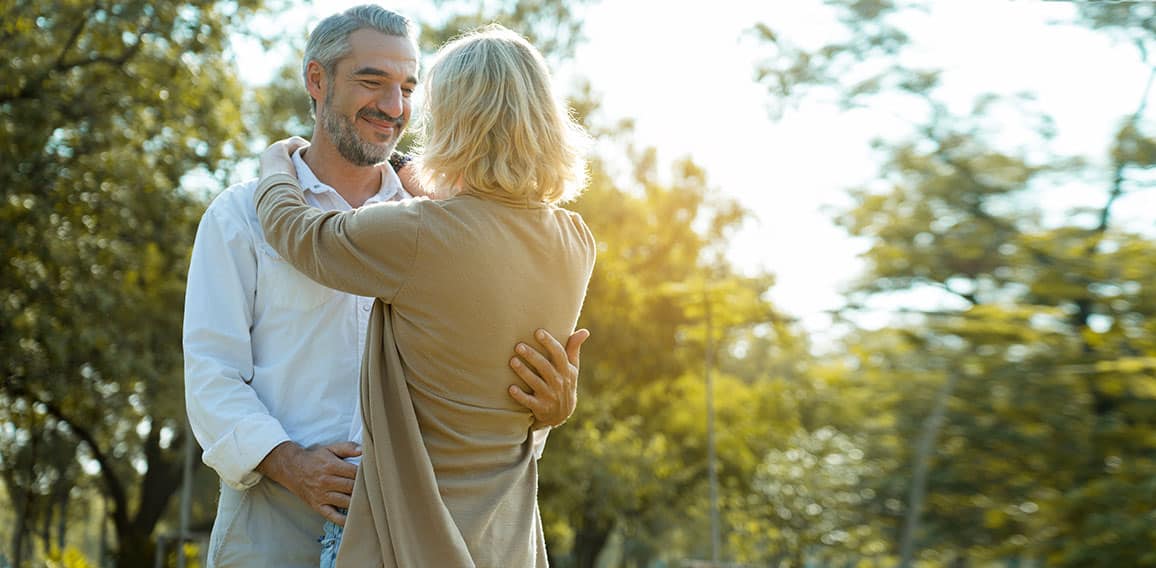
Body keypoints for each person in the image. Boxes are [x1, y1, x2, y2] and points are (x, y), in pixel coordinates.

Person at [182, 6, 586, 568]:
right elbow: (211, 377)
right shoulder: (238, 218)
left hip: (407, 527)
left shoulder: (443, 223)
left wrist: (545, 412)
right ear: (317, 81)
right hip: (271, 521)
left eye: (407, 87)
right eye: (372, 81)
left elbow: (489, 403)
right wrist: (290, 463)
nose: (394, 107)